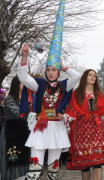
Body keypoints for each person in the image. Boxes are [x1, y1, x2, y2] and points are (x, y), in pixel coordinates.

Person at [18, 43, 80, 179]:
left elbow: (76, 76)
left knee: (54, 165)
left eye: (54, 70)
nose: (51, 73)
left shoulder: (64, 85)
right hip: (40, 126)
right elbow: (23, 78)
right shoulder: (39, 84)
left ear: (58, 72)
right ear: (45, 71)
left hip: (57, 128)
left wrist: (64, 67)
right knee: (35, 164)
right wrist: (24, 56)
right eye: (48, 70)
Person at [64, 69, 104, 180]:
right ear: (85, 77)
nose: (93, 77)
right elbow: (71, 113)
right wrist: (62, 117)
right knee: (84, 164)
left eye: (95, 75)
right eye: (90, 75)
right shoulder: (76, 94)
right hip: (81, 130)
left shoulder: (99, 95)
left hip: (97, 130)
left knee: (98, 161)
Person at [0, 77, 28, 180]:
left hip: (22, 133)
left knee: (23, 159)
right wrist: (30, 113)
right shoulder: (9, 98)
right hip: (10, 133)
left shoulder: (26, 98)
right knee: (11, 159)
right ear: (17, 84)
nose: (25, 84)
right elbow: (17, 112)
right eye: (23, 82)